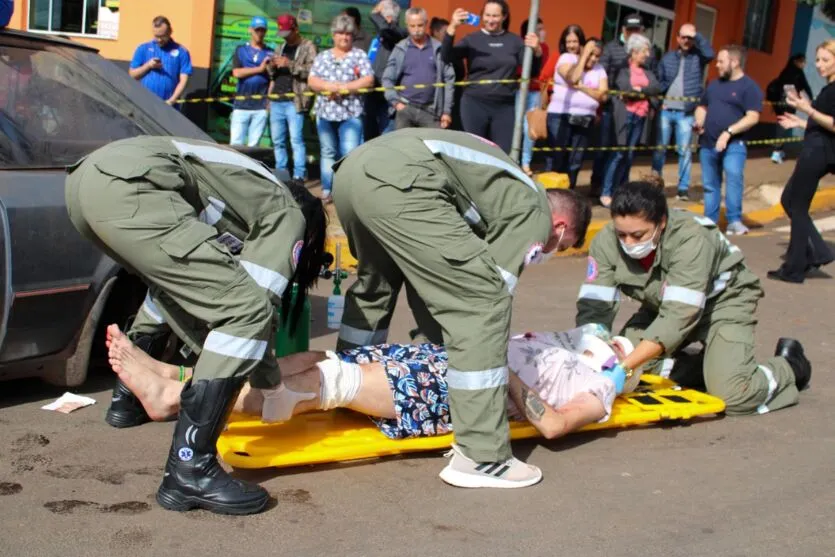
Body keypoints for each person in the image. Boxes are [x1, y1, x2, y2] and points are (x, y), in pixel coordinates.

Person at [65, 136, 327, 515]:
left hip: (85, 182)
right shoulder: (288, 214)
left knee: (180, 288)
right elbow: (256, 309)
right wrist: (272, 388)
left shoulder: (244, 190)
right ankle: (190, 470)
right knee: (246, 310)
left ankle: (129, 399)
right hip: (131, 184)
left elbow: (201, 303)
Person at [332, 128, 592, 489]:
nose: (551, 250)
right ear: (560, 226)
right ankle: (482, 455)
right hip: (402, 182)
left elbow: (437, 285)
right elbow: (484, 299)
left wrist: (441, 348)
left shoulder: (501, 188)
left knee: (376, 286)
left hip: (353, 174)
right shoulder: (535, 212)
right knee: (483, 302)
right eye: (560, 246)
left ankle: (349, 382)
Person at [103, 324, 636, 451]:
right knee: (307, 358)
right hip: (438, 359)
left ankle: (173, 399)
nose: (599, 342)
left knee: (317, 383)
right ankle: (178, 376)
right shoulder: (556, 342)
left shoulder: (598, 387)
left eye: (610, 346)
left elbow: (552, 425)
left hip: (460, 387)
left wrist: (500, 371)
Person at [576, 181, 811, 418]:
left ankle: (789, 367)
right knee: (632, 364)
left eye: (638, 235)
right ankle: (710, 367)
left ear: (661, 222)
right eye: (622, 235)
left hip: (722, 304)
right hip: (661, 308)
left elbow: (679, 316)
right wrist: (591, 349)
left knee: (733, 395)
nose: (628, 243)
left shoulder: (691, 238)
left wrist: (624, 368)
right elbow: (595, 305)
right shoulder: (606, 241)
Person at [767, 40, 835, 283]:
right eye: (817, 60)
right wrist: (799, 122)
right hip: (815, 147)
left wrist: (807, 109)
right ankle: (818, 251)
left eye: (826, 60)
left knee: (796, 205)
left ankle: (795, 268)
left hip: (819, 152)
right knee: (790, 200)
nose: (819, 65)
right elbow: (821, 124)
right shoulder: (828, 89)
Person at [441, 1, 542, 153]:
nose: (490, 20)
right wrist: (452, 27)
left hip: (504, 106)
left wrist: (537, 52)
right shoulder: (472, 39)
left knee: (502, 152)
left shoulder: (515, 42)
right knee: (474, 151)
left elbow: (532, 72)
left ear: (504, 17)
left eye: (495, 16)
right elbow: (446, 56)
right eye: (487, 15)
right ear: (482, 16)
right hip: (475, 103)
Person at [694, 45, 763, 236]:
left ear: (734, 62)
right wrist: (699, 121)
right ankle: (710, 222)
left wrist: (729, 132)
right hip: (708, 142)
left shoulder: (749, 87)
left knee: (733, 176)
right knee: (710, 184)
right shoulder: (714, 85)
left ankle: (734, 220)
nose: (716, 65)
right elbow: (702, 106)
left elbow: (753, 117)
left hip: (734, 144)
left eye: (721, 61)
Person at [307, 15, 375, 203]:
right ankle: (327, 190)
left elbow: (368, 80)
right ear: (333, 35)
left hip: (351, 114)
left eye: (348, 34)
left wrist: (345, 87)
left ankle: (345, 192)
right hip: (325, 113)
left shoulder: (359, 55)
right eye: (340, 33)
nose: (344, 37)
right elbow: (312, 80)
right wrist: (328, 86)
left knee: (349, 154)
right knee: (328, 153)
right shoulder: (323, 56)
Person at [651, 23, 715, 201]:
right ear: (677, 38)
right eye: (683, 37)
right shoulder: (667, 58)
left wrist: (696, 34)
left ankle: (683, 188)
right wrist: (658, 103)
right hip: (666, 110)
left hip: (686, 112)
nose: (686, 40)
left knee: (684, 151)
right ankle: (655, 185)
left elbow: (710, 54)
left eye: (689, 38)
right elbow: (659, 81)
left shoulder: (698, 57)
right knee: (660, 149)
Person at [540, 28, 608, 188]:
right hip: (561, 116)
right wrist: (584, 56)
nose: (593, 59)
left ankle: (568, 194)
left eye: (597, 56)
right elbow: (573, 78)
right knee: (557, 158)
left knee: (575, 161)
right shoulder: (567, 58)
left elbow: (604, 96)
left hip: (585, 118)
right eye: (591, 54)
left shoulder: (600, 70)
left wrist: (582, 88)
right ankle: (549, 194)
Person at [592, 13, 651, 194]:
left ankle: (618, 188)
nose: (633, 32)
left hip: (635, 110)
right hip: (611, 107)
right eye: (630, 29)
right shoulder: (611, 48)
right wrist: (614, 95)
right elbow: (601, 74)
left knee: (626, 153)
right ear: (623, 29)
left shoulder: (646, 51)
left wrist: (646, 98)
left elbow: (652, 79)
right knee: (605, 149)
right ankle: (597, 185)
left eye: (637, 29)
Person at [601, 34, 660, 208]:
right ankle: (606, 191)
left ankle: (621, 191)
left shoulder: (648, 71)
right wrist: (641, 91)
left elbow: (655, 87)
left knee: (629, 155)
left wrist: (638, 89)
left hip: (640, 116)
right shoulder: (623, 70)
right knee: (618, 153)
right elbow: (625, 88)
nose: (647, 55)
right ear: (634, 52)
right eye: (644, 51)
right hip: (625, 115)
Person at [382, 7, 455, 130]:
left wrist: (446, 111)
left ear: (426, 24)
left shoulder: (438, 49)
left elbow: (449, 80)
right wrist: (395, 102)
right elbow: (387, 79)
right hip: (405, 108)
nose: (416, 30)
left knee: (433, 142)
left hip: (431, 110)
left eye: (420, 25)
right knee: (403, 142)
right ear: (407, 25)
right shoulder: (400, 49)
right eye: (412, 26)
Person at [269, 14, 318, 181]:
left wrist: (288, 64)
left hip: (295, 101)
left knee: (296, 140)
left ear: (296, 29)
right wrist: (271, 65)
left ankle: (299, 175)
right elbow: (271, 74)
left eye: (287, 33)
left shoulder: (308, 46)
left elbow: (312, 71)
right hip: (277, 99)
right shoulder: (280, 46)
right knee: (278, 141)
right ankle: (281, 174)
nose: (284, 37)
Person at [129, 16, 193, 108]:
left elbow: (184, 80)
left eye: (162, 36)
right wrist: (148, 66)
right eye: (156, 36)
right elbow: (132, 75)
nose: (159, 40)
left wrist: (172, 101)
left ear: (170, 31)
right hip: (145, 103)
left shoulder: (182, 52)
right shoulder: (143, 49)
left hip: (169, 105)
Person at [229, 16, 273, 147]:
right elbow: (237, 72)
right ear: (250, 30)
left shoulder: (270, 53)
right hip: (241, 105)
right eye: (257, 30)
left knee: (254, 146)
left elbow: (273, 79)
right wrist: (259, 69)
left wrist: (269, 100)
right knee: (236, 144)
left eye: (262, 30)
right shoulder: (241, 50)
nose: (259, 33)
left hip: (260, 107)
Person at [516, 17, 550, 176]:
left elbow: (543, 70)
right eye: (539, 29)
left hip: (535, 92)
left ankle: (525, 163)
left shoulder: (544, 48)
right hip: (519, 91)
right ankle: (514, 159)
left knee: (530, 129)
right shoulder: (519, 46)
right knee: (516, 126)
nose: (543, 32)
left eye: (542, 28)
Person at [768, 54, 814, 165]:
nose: (803, 64)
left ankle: (779, 150)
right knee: (784, 125)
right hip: (789, 102)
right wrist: (810, 98)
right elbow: (804, 86)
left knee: (781, 123)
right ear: (796, 62)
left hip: (779, 102)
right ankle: (776, 152)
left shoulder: (785, 71)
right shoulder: (798, 72)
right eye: (802, 62)